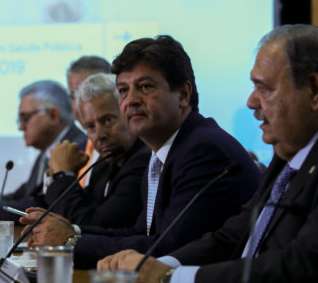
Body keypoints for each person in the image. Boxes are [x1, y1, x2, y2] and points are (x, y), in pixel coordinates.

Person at [99, 24, 318, 283]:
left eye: (264, 88)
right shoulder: (297, 149)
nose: (251, 101)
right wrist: (163, 266)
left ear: (314, 90)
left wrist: (170, 281)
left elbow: (302, 270)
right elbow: (235, 235)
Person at [20, 35, 262, 269]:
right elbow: (140, 233)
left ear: (183, 94)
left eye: (145, 87)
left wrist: (71, 241)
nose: (131, 100)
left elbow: (167, 248)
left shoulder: (203, 151)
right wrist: (72, 230)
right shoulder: (163, 151)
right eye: (123, 90)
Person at [45, 72, 150, 227]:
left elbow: (91, 225)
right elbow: (83, 212)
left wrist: (63, 175)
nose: (100, 135)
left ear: (128, 113)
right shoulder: (103, 162)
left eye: (108, 120)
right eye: (90, 127)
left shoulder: (144, 160)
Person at [0, 79, 87, 217]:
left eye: (25, 117)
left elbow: (44, 206)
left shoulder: (77, 149)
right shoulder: (44, 154)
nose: (21, 127)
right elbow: (23, 196)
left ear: (53, 115)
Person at [65, 55, 112, 186]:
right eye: (74, 95)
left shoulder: (117, 149)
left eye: (89, 92)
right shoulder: (77, 149)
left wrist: (62, 174)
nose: (79, 104)